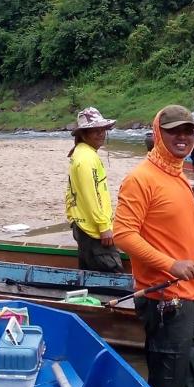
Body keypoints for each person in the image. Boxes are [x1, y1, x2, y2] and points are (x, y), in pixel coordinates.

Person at [114, 105, 194, 387]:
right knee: (167, 384)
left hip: (193, 292)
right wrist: (171, 265)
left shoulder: (180, 177)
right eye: (174, 131)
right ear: (159, 133)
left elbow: (186, 236)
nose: (182, 137)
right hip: (164, 299)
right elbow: (123, 234)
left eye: (188, 131)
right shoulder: (140, 179)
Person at [65, 107, 124, 273]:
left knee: (89, 272)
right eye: (94, 131)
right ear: (83, 134)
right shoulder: (85, 159)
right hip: (93, 229)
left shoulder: (83, 153)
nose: (101, 134)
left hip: (85, 225)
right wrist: (104, 226)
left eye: (102, 130)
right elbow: (91, 195)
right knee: (112, 272)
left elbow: (72, 192)